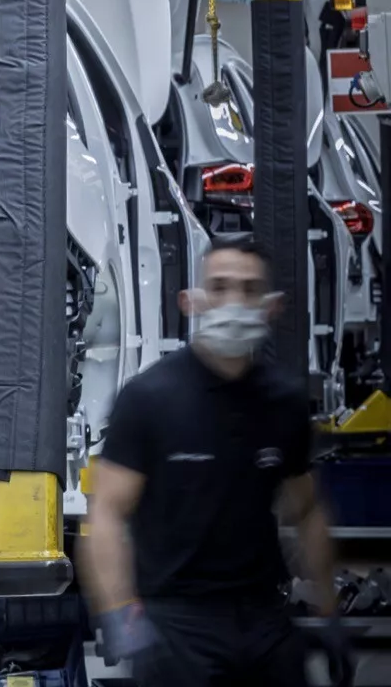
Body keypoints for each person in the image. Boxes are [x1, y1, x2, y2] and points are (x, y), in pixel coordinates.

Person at [80, 237, 351, 687]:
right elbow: (107, 514)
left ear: (272, 306)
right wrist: (120, 615)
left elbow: (306, 511)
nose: (234, 302)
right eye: (220, 287)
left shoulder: (283, 403)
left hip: (264, 617)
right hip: (177, 624)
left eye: (248, 290)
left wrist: (330, 611)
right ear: (193, 301)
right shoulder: (149, 399)